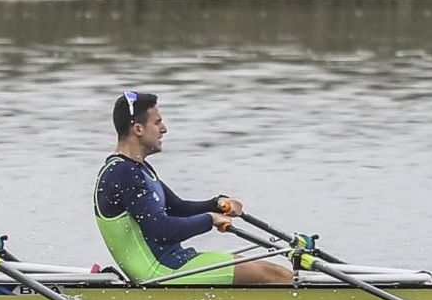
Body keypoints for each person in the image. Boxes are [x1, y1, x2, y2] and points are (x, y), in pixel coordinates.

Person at [93, 91, 293, 285]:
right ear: (138, 129)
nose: (164, 129)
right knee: (270, 273)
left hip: (172, 263)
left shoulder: (136, 168)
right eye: (157, 122)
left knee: (245, 263)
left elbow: (177, 207)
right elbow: (161, 230)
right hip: (159, 273)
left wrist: (216, 205)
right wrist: (210, 219)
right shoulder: (124, 174)